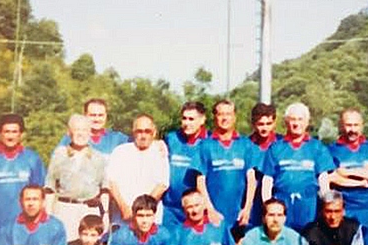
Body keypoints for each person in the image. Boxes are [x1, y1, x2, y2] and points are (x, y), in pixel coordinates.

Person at [260, 102, 335, 231]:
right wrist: (268, 207)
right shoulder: (276, 148)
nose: (296, 123)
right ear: (286, 122)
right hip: (282, 205)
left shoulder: (317, 148)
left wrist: (326, 204)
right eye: (292, 119)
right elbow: (267, 181)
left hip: (309, 206)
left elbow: (323, 181)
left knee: (307, 243)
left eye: (300, 119)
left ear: (306, 122)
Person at [195, 99, 257, 234]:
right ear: (215, 117)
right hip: (214, 214)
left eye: (228, 114)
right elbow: (200, 180)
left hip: (238, 214)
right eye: (221, 114)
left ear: (234, 117)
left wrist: (247, 208)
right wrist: (209, 209)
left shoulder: (245, 144)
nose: (224, 118)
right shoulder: (204, 145)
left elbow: (251, 179)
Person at [45, 114, 109, 240]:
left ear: (90, 133)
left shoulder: (99, 157)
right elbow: (50, 187)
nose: (81, 134)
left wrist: (105, 214)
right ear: (69, 132)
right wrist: (48, 216)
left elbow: (105, 189)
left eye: (84, 130)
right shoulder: (60, 154)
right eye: (77, 130)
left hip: (90, 210)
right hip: (65, 209)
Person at [105, 114, 170, 229]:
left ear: (154, 133)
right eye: (139, 131)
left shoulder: (160, 154)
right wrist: (124, 209)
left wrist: (141, 211)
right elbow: (111, 183)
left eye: (147, 131)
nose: (143, 135)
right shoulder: (120, 152)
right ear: (133, 132)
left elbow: (162, 185)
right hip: (122, 217)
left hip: (149, 219)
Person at [327, 108, 368, 227]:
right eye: (348, 125)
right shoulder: (331, 150)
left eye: (356, 125)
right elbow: (332, 178)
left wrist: (345, 172)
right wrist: (361, 183)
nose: (352, 129)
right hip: (344, 209)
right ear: (341, 126)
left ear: (362, 126)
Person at [162, 101, 208, 231]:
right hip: (171, 209)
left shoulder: (209, 142)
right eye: (184, 118)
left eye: (191, 119)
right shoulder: (171, 139)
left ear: (202, 119)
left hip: (196, 210)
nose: (187, 123)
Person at [57, 97, 130, 155]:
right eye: (93, 115)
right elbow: (57, 162)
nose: (97, 119)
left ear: (106, 116)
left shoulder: (117, 138)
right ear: (85, 115)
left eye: (100, 115)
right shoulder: (72, 137)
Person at [247, 102, 279, 230]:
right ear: (253, 124)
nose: (264, 128)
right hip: (252, 203)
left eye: (268, 124)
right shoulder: (247, 145)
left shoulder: (281, 145)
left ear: (274, 123)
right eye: (260, 124)